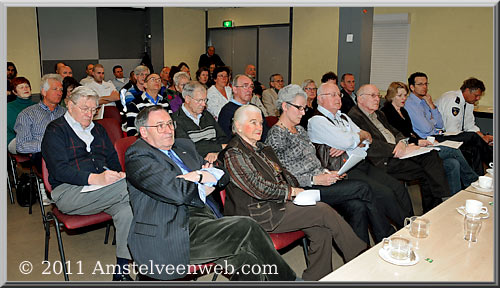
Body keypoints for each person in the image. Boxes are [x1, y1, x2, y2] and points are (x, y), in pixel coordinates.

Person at [125, 105, 297, 281]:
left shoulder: (183, 146)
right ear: (144, 132)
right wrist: (203, 180)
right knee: (247, 227)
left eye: (170, 123)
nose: (168, 130)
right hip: (172, 230)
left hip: (205, 221)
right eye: (160, 126)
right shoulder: (138, 155)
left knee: (249, 262)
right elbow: (177, 193)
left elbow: (222, 175)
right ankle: (288, 281)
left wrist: (197, 176)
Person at [220, 104, 367, 280]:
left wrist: (303, 188)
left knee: (321, 230)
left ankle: (316, 277)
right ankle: (360, 259)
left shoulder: (262, 148)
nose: (259, 127)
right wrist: (291, 192)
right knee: (323, 211)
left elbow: (284, 175)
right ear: (237, 126)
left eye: (260, 122)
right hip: (256, 214)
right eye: (253, 122)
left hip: (276, 203)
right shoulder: (234, 153)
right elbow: (257, 188)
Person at [266, 84, 396, 241]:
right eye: (299, 108)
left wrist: (327, 172)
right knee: (363, 188)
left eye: (304, 109)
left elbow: (312, 161)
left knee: (358, 206)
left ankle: (359, 253)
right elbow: (280, 175)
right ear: (285, 106)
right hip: (303, 190)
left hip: (319, 181)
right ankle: (387, 237)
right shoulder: (276, 135)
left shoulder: (300, 130)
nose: (303, 112)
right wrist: (314, 179)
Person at [41, 86, 133, 281]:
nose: (90, 114)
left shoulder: (98, 129)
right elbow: (59, 170)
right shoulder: (55, 130)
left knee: (127, 209)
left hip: (105, 189)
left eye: (93, 109)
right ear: (70, 104)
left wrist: (118, 174)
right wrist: (95, 178)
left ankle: (122, 272)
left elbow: (112, 158)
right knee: (134, 188)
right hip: (69, 192)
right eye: (85, 109)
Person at [307, 82, 413, 228]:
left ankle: (411, 222)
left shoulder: (343, 116)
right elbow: (346, 140)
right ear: (320, 99)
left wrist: (357, 139)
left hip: (361, 163)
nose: (338, 98)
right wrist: (357, 139)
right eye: (332, 95)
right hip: (344, 171)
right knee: (385, 193)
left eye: (339, 94)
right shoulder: (316, 121)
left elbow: (367, 140)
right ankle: (407, 229)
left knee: (398, 188)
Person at [348, 84, 450, 213]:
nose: (377, 99)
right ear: (360, 99)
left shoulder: (378, 113)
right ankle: (439, 204)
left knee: (431, 155)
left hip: (400, 151)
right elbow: (370, 145)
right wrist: (395, 149)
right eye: (373, 96)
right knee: (427, 171)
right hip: (383, 160)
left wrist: (402, 142)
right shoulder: (354, 117)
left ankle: (436, 206)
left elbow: (396, 132)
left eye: (378, 96)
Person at [381, 82, 478, 195]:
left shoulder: (403, 111)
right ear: (391, 96)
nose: (404, 98)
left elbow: (411, 132)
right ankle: (472, 180)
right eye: (400, 96)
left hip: (417, 145)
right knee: (453, 150)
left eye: (405, 95)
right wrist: (418, 141)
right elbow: (398, 136)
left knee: (452, 163)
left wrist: (426, 141)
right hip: (406, 151)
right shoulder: (386, 113)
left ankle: (453, 197)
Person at [406, 72, 492, 175]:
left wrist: (431, 106)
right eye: (420, 84)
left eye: (426, 84)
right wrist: (432, 121)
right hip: (432, 138)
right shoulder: (452, 100)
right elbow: (428, 128)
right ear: (412, 87)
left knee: (475, 147)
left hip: (439, 135)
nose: (425, 87)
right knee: (473, 137)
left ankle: (478, 180)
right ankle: (493, 164)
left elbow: (440, 123)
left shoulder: (425, 102)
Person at [14, 74, 66, 171]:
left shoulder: (66, 113)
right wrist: (48, 145)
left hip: (68, 152)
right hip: (43, 155)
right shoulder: (27, 114)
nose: (60, 93)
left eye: (61, 90)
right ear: (44, 92)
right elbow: (21, 146)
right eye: (55, 89)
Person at [172, 81, 229, 163]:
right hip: (195, 163)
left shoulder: (207, 115)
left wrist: (216, 153)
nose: (203, 104)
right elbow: (190, 148)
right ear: (187, 99)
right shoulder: (176, 120)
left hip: (216, 158)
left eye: (205, 100)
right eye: (199, 100)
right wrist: (219, 147)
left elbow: (223, 139)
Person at [436, 77, 493, 143]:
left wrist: (483, 137)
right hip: (441, 136)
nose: (478, 98)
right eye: (476, 95)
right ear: (467, 90)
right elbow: (452, 130)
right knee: (474, 140)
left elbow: (469, 126)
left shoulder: (469, 103)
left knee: (482, 143)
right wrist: (479, 140)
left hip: (454, 135)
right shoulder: (453, 100)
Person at [218, 74, 269, 141]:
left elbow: (265, 134)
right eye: (245, 86)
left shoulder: (255, 109)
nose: (249, 90)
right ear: (235, 89)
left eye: (251, 86)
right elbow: (227, 138)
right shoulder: (227, 111)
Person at [7, 77, 36, 154]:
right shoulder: (9, 107)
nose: (25, 89)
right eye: (21, 87)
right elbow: (16, 128)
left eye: (27, 86)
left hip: (35, 137)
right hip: (14, 138)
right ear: (14, 92)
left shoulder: (37, 105)